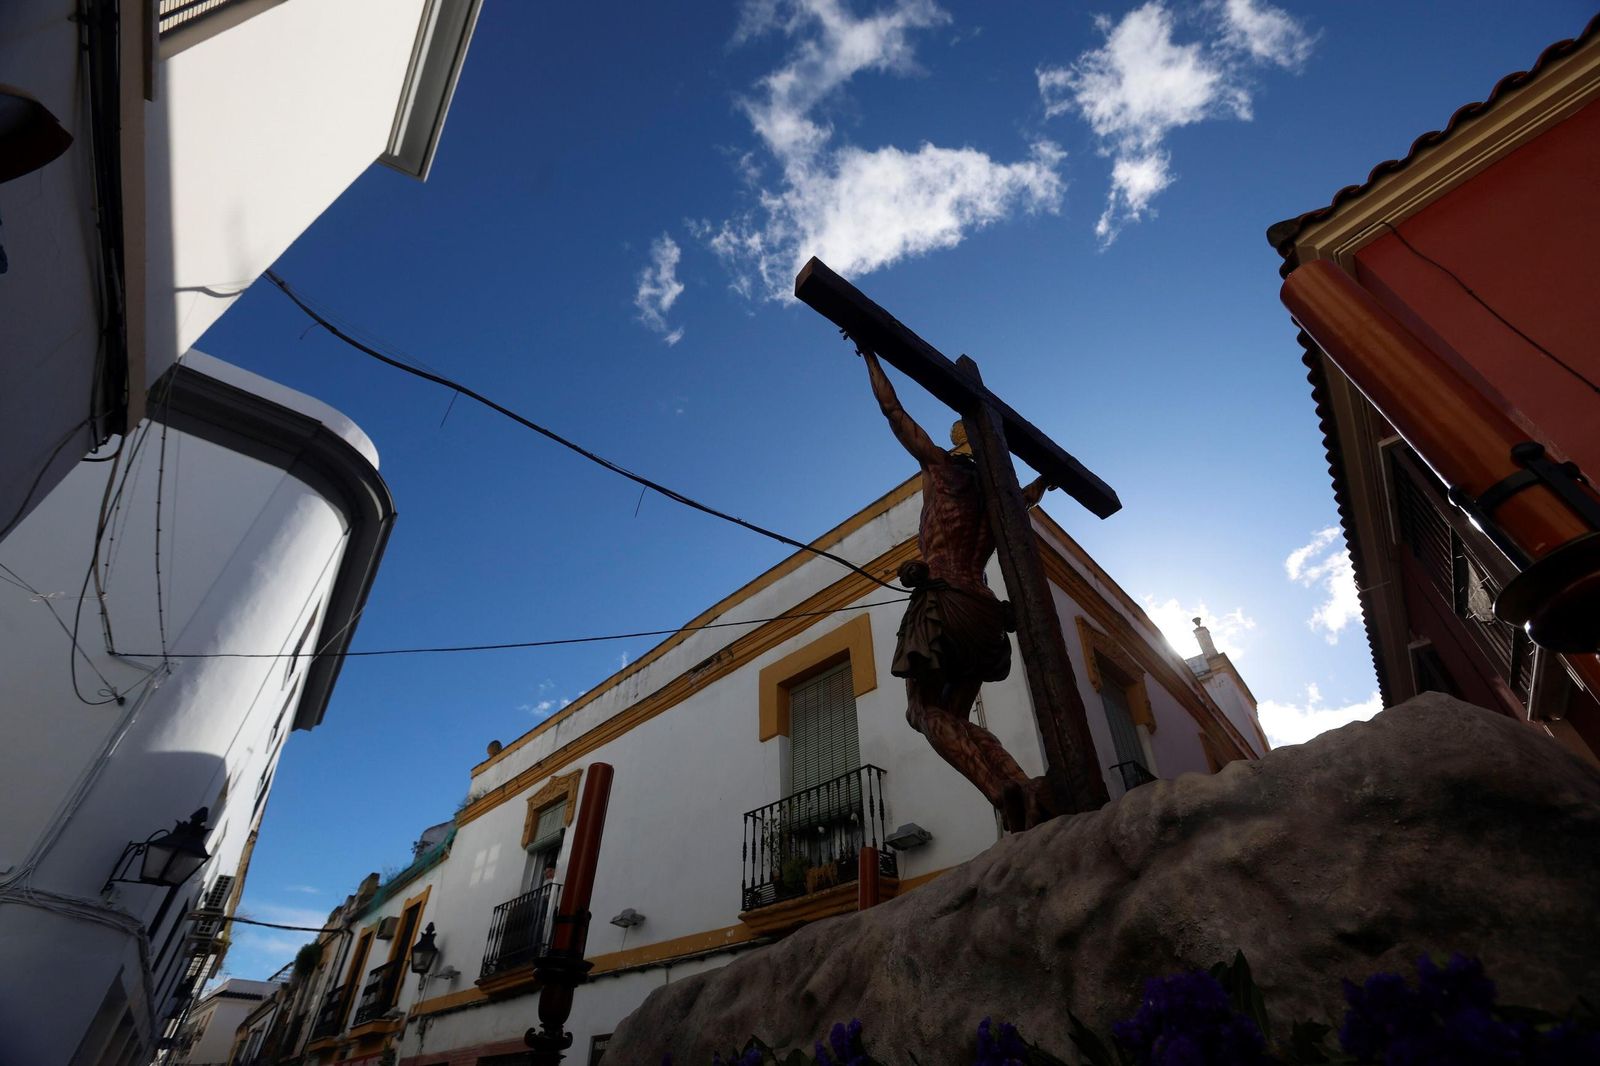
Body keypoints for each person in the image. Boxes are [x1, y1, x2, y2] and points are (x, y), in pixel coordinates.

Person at [861, 348, 1053, 831]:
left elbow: (894, 412)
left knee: (923, 711)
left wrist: (870, 355)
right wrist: (1046, 478)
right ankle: (1022, 784)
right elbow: (1030, 496)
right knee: (958, 715)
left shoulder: (940, 470)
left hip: (944, 603)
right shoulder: (1000, 498)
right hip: (986, 616)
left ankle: (998, 791)